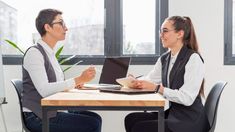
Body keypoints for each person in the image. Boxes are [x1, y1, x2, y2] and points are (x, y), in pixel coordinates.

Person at [124, 16, 210, 132]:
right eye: (160, 31)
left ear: (180, 34)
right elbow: (151, 79)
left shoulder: (193, 59)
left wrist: (158, 88)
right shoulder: (165, 58)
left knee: (139, 128)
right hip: (173, 114)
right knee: (131, 119)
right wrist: (135, 81)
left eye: (165, 31)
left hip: (189, 120)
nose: (161, 35)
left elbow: (187, 98)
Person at [22, 9, 102, 132]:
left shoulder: (50, 54)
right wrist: (78, 79)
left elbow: (55, 86)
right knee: (92, 124)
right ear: (47, 27)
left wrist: (76, 84)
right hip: (38, 116)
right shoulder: (35, 53)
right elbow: (44, 90)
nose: (66, 28)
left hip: (52, 110)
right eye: (61, 23)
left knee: (95, 118)